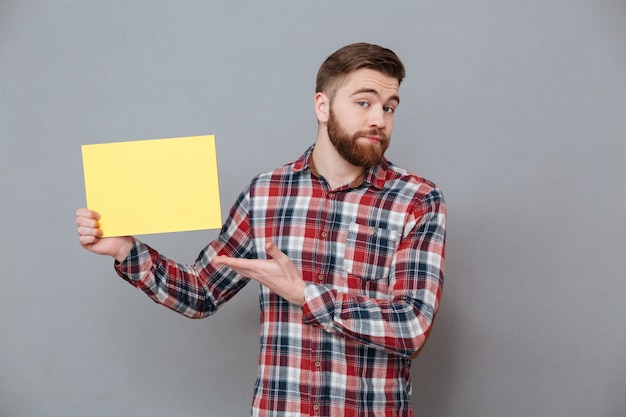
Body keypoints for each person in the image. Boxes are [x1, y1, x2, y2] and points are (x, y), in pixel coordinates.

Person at [76, 42, 446, 417]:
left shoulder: (418, 200)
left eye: (389, 107)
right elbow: (202, 293)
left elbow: (412, 327)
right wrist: (125, 249)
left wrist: (305, 295)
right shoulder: (265, 193)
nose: (379, 120)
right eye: (364, 103)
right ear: (322, 106)